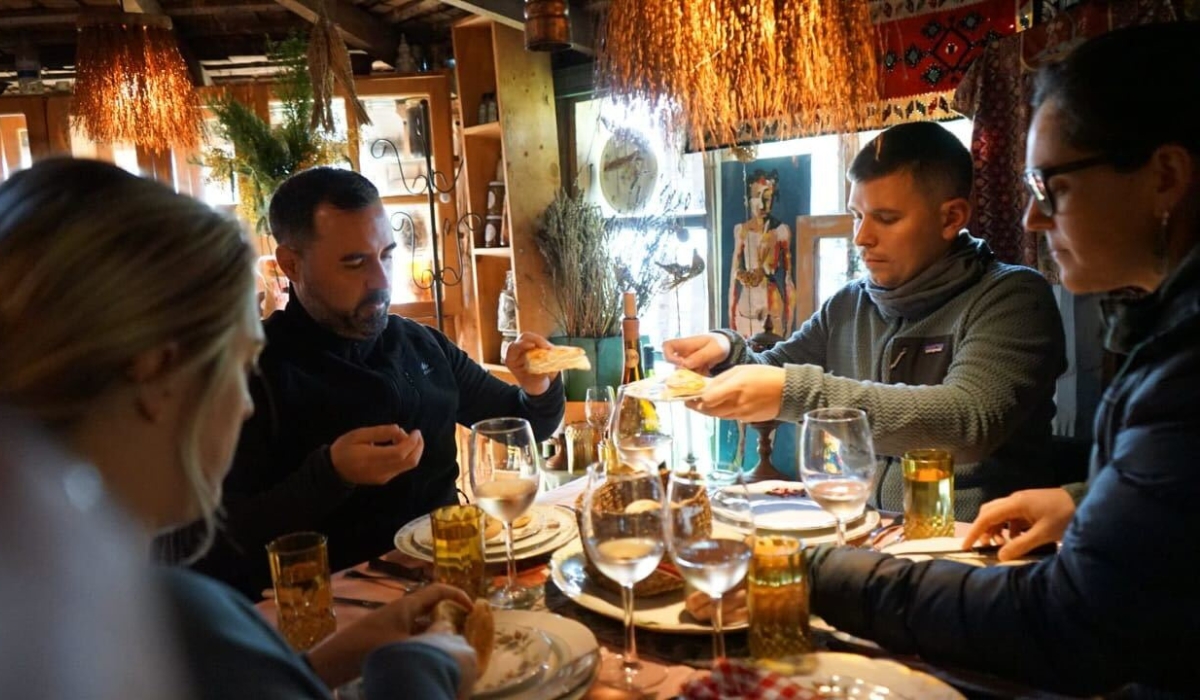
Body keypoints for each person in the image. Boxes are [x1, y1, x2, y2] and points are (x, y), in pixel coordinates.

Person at [806, 22, 1200, 697]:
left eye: (1052, 186)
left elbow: (1068, 624)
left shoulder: (1177, 365)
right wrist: (1084, 501)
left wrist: (819, 575)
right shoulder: (1169, 330)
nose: (1031, 218)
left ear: (1164, 176)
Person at [0, 158, 479, 700]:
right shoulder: (155, 619)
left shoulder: (48, 579)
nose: (246, 406)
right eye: (239, 362)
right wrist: (420, 669)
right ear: (156, 376)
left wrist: (325, 663)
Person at [171, 167, 565, 598]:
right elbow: (207, 544)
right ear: (291, 264)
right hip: (340, 609)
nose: (380, 280)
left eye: (386, 254)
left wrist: (536, 386)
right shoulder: (252, 371)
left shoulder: (420, 343)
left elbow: (527, 425)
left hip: (456, 580)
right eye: (355, 262)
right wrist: (330, 474)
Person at [667, 121, 1066, 519]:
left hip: (985, 548)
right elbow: (770, 373)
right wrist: (724, 352)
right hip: (868, 534)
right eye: (857, 215)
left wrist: (796, 393)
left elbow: (968, 421)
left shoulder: (1013, 298)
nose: (861, 237)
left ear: (951, 218)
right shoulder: (848, 304)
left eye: (886, 218)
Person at [728, 169, 796, 336]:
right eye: (757, 197)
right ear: (748, 200)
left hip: (772, 304)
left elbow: (788, 279)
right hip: (746, 307)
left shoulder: (781, 231)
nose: (762, 205)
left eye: (768, 198)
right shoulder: (741, 231)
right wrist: (731, 321)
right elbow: (733, 278)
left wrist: (790, 322)